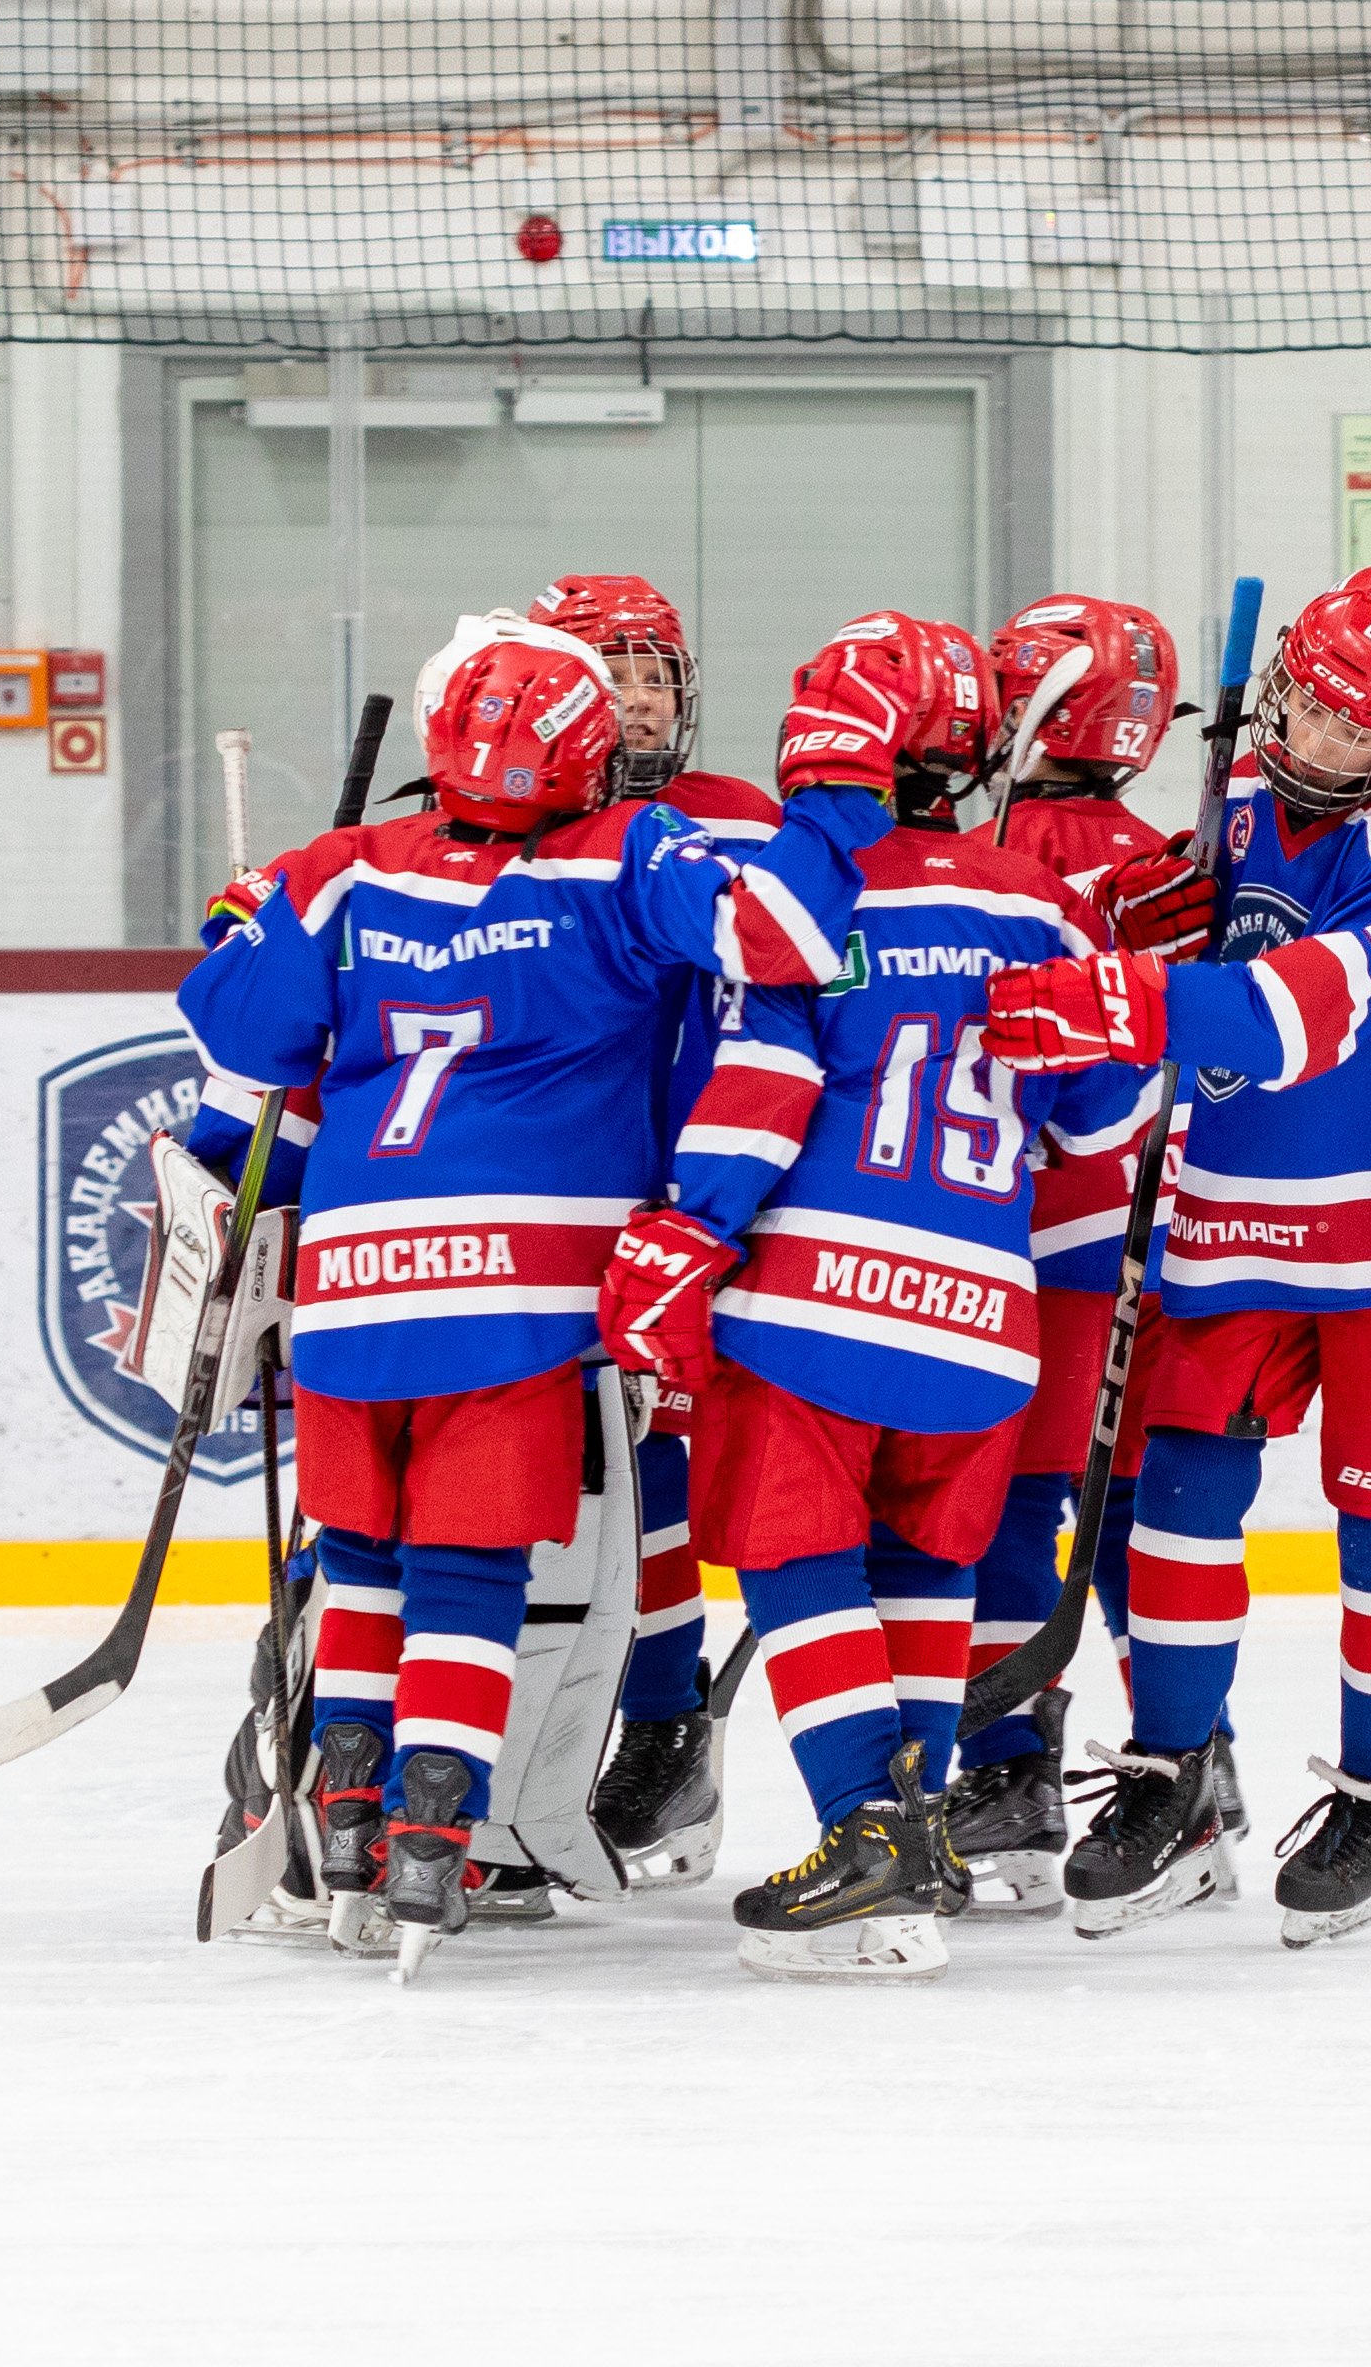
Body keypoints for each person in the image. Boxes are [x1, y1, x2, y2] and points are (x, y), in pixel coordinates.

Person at [177, 607, 914, 1973]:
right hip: (534, 1291)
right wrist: (840, 805)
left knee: (359, 1557)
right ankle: (435, 1833)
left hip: (357, 1282)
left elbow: (243, 1034)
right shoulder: (628, 855)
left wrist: (251, 919)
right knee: (469, 1572)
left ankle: (345, 1803)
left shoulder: (341, 870)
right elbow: (792, 932)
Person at [981, 564, 1371, 1947]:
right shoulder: (1244, 800)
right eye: (1311, 707)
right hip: (1243, 1209)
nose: (1324, 742)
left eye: (1363, 729)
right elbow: (1217, 927)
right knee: (1176, 1495)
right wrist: (1163, 907)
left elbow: (1304, 1008)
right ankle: (1173, 1780)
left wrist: (1127, 995)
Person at [598, 610, 1162, 1983]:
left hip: (816, 1309)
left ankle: (868, 1832)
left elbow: (760, 1094)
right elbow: (1101, 1120)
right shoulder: (1039, 899)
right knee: (920, 1572)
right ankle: (917, 1839)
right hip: (984, 1317)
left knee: (799, 1569)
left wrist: (684, 1234)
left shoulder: (811, 903)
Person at [935, 593, 1235, 1915]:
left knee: (1008, 1501)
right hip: (1116, 1227)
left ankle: (1007, 1769)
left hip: (993, 1222)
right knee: (1115, 1504)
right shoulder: (1155, 858)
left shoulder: (962, 849)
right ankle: (1195, 1756)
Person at [516, 573, 770, 1894]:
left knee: (651, 1467)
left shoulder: (736, 822)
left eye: (653, 671)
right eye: (603, 670)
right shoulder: (505, 819)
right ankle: (516, 1750)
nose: (635, 696)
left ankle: (667, 1731)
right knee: (541, 1481)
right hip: (548, 1191)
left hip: (703, 1194)